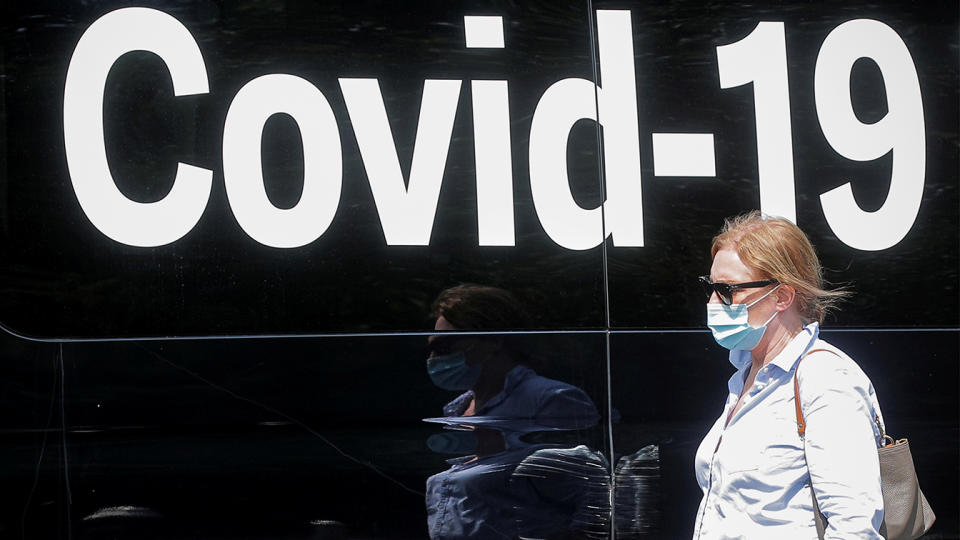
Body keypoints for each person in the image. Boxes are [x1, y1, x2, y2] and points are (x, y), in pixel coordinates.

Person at [693, 211, 885, 539]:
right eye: (710, 287)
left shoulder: (826, 379)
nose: (713, 301)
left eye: (728, 290)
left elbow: (854, 525)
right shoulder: (746, 373)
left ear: (782, 296)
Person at [423, 284, 602, 539]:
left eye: (444, 347)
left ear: (493, 340)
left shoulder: (551, 400)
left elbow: (592, 502)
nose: (432, 358)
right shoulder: (457, 410)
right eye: (430, 348)